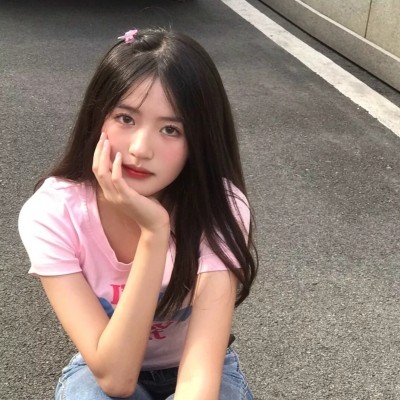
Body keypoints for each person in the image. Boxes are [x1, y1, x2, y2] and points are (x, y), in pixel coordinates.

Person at [18, 27, 258, 400]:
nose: (141, 149)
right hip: (102, 365)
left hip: (196, 366)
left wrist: (155, 227)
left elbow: (199, 378)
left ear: (200, 141)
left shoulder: (219, 206)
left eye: (171, 129)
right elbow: (115, 378)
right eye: (126, 119)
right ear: (98, 117)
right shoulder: (54, 212)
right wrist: (155, 232)